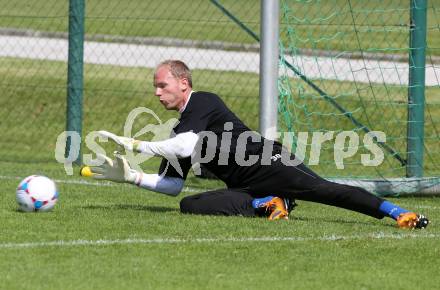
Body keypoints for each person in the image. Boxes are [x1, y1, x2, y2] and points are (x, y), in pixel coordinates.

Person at [91, 59, 429, 229]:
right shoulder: (180, 127)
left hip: (271, 164)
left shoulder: (203, 101)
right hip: (247, 187)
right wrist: (133, 178)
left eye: (162, 85)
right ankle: (269, 203)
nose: (157, 92)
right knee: (190, 205)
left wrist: (137, 145)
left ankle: (396, 212)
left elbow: (183, 147)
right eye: (155, 86)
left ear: (183, 83)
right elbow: (172, 186)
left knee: (326, 191)